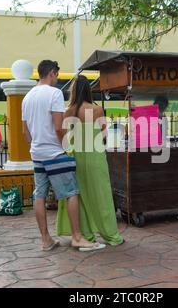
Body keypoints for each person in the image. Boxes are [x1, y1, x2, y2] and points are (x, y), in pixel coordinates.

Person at [22, 60, 101, 252]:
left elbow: (25, 133)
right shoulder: (54, 93)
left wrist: (37, 145)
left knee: (39, 195)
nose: (57, 79)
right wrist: (64, 146)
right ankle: (77, 237)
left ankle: (46, 240)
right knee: (71, 193)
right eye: (56, 75)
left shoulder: (27, 97)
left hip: (37, 152)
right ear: (51, 73)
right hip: (54, 152)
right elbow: (59, 126)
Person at [56, 75, 124, 247]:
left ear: (74, 90)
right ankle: (111, 235)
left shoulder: (69, 111)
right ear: (88, 89)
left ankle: (87, 235)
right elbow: (104, 134)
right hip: (95, 158)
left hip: (76, 158)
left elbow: (63, 135)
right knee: (102, 197)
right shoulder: (97, 110)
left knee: (81, 197)